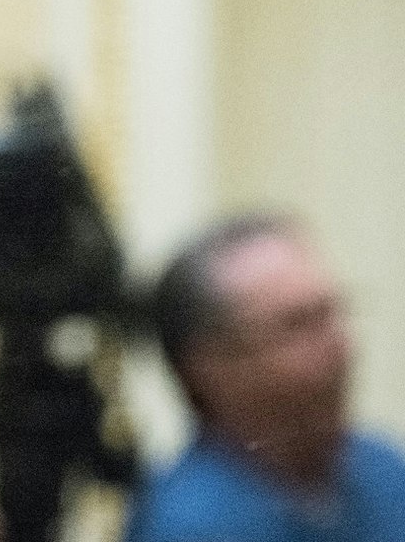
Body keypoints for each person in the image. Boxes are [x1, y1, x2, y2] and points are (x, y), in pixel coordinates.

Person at [126, 215, 405, 541]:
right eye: (298, 326)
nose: (338, 346)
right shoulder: (189, 526)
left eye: (330, 313)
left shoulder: (384, 473)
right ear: (207, 366)